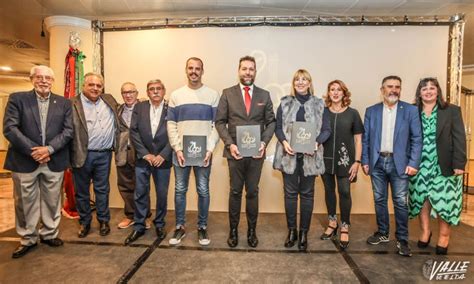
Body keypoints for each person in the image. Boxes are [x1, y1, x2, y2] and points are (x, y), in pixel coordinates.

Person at [3, 65, 73, 258]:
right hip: (24, 160)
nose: (43, 81)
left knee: (52, 201)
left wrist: (49, 149)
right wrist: (33, 151)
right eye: (39, 77)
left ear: (53, 81)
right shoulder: (18, 99)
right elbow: (10, 128)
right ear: (32, 79)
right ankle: (28, 239)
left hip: (54, 159)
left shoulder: (64, 103)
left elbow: (68, 131)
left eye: (48, 78)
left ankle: (50, 234)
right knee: (25, 202)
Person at [216, 55, 276, 248]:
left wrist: (264, 143)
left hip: (256, 154)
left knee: (252, 192)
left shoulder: (264, 95)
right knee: (235, 192)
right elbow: (219, 122)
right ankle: (233, 231)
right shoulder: (227, 93)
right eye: (244, 68)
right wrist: (230, 144)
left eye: (251, 69)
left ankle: (251, 231)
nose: (248, 72)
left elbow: (272, 122)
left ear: (255, 72)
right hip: (235, 153)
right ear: (239, 70)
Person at [361, 75, 422, 257]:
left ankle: (402, 239)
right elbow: (366, 140)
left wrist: (413, 163)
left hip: (401, 164)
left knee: (400, 203)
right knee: (379, 200)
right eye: (389, 86)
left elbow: (417, 139)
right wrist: (365, 160)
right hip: (377, 162)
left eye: (397, 87)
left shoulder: (410, 110)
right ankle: (382, 233)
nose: (393, 90)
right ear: (382, 90)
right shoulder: (371, 111)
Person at [273, 69, 331, 251]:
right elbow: (278, 128)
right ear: (293, 83)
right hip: (289, 156)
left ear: (309, 82)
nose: (300, 82)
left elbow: (326, 130)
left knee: (307, 195)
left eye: (304, 79)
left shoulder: (320, 104)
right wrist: (284, 142)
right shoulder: (284, 103)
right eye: (297, 79)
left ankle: (304, 232)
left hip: (310, 158)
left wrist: (316, 143)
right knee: (290, 195)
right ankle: (292, 231)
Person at [409, 77, 466, 255]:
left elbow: (459, 138)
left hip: (444, 165)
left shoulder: (451, 111)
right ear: (419, 93)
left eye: (432, 88)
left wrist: (459, 163)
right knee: (421, 199)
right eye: (424, 88)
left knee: (445, 201)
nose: (428, 91)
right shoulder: (412, 111)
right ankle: (425, 231)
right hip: (419, 164)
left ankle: (444, 235)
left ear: (438, 91)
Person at [167, 57, 220, 246]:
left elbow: (217, 126)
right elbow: (171, 124)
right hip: (180, 153)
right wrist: (177, 148)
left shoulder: (213, 95)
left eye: (197, 69)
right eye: (190, 68)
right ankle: (180, 227)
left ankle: (202, 227)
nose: (194, 71)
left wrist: (210, 149)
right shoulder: (176, 95)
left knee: (203, 190)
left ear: (202, 71)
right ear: (186, 70)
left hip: (203, 153)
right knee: (180, 189)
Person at [71, 72, 122, 238]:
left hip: (104, 155)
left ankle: (104, 220)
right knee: (82, 191)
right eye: (91, 85)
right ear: (83, 86)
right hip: (82, 154)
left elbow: (123, 110)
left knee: (102, 189)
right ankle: (85, 222)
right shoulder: (72, 104)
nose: (95, 88)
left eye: (99, 85)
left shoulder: (109, 100)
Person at [125, 79, 172, 245]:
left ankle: (159, 223)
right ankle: (139, 225)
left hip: (163, 160)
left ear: (164, 90)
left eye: (159, 88)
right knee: (140, 193)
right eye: (151, 89)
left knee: (161, 194)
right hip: (143, 160)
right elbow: (134, 132)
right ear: (147, 92)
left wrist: (164, 155)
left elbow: (176, 132)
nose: (155, 91)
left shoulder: (171, 107)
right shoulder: (140, 107)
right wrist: (145, 154)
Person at [320, 80, 363, 249]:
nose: (335, 92)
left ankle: (345, 225)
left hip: (346, 161)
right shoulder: (322, 113)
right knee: (329, 191)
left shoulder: (353, 114)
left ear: (344, 93)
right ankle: (332, 222)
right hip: (324, 159)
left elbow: (359, 139)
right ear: (328, 93)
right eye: (332, 89)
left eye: (339, 90)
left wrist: (357, 162)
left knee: (344, 192)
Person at [116, 82, 139, 229]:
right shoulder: (117, 110)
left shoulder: (144, 107)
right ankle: (130, 215)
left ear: (137, 93)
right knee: (125, 185)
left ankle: (144, 216)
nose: (128, 95)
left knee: (141, 186)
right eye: (125, 92)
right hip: (122, 151)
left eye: (131, 92)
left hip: (140, 152)